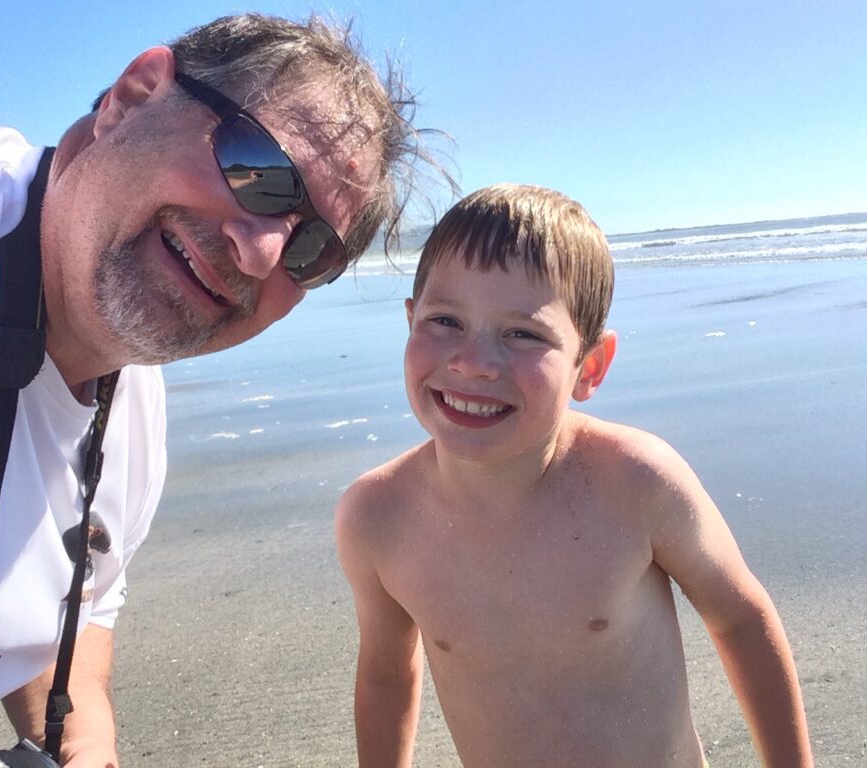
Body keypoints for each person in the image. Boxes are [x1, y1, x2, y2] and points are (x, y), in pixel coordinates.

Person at [0, 13, 425, 767]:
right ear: (134, 96)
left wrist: (84, 749)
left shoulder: (133, 421)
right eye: (258, 169)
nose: (261, 249)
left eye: (310, 250)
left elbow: (64, 627)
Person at [335, 184, 814, 767]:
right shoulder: (377, 518)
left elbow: (740, 618)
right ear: (409, 322)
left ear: (590, 366)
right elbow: (386, 675)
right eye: (444, 320)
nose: (472, 361)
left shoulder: (635, 483)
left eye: (523, 334)